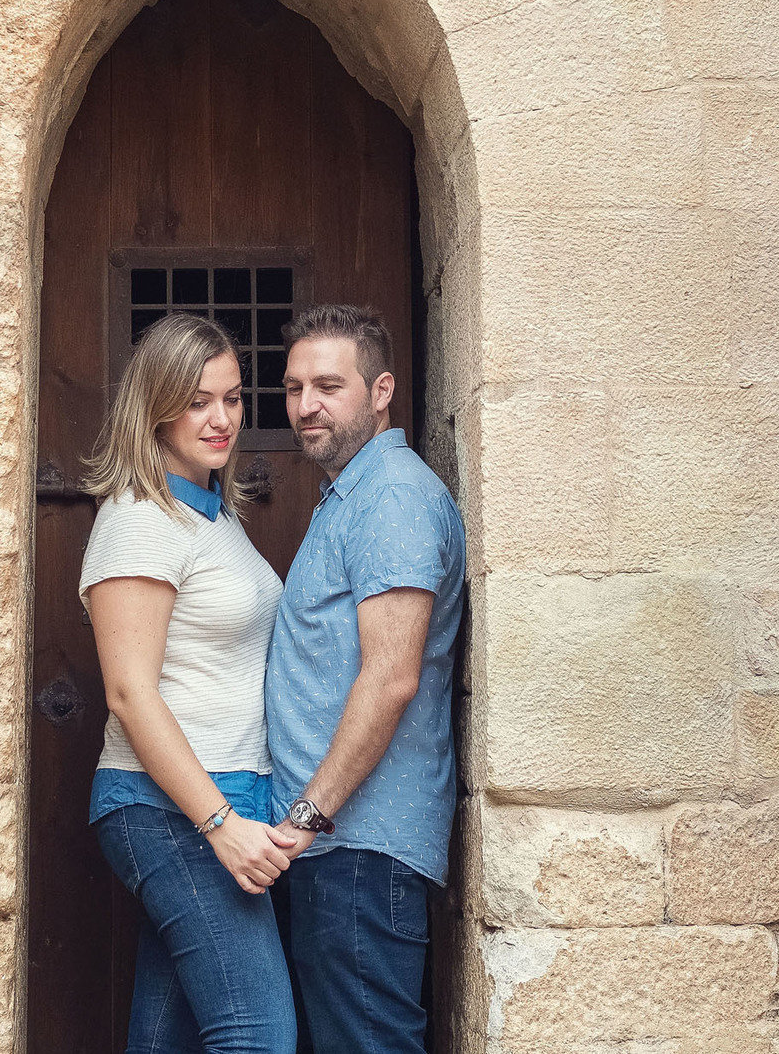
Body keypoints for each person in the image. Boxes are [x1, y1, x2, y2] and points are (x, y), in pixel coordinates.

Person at [81, 312, 306, 1054]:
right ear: (156, 406)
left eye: (234, 398)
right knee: (258, 1033)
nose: (221, 419)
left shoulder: (211, 515)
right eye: (198, 399)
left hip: (220, 798)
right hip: (170, 806)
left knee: (166, 1036)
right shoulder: (140, 519)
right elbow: (129, 693)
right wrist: (219, 824)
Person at [266, 305, 467, 1054]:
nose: (305, 404)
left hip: (355, 848)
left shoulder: (391, 496)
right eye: (293, 386)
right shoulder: (351, 494)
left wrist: (306, 818)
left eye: (328, 384)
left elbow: (391, 679)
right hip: (336, 849)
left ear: (381, 390)